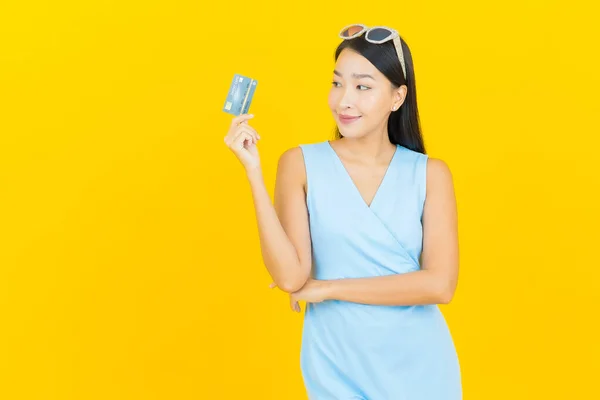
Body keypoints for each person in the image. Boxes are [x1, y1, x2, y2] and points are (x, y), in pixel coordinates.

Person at [224, 23, 461, 400]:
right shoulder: (299, 163)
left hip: (420, 367)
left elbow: (439, 285)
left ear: (398, 97)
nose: (344, 100)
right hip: (335, 361)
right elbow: (290, 277)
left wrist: (329, 288)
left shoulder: (431, 174)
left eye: (362, 87)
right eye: (337, 84)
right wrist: (253, 171)